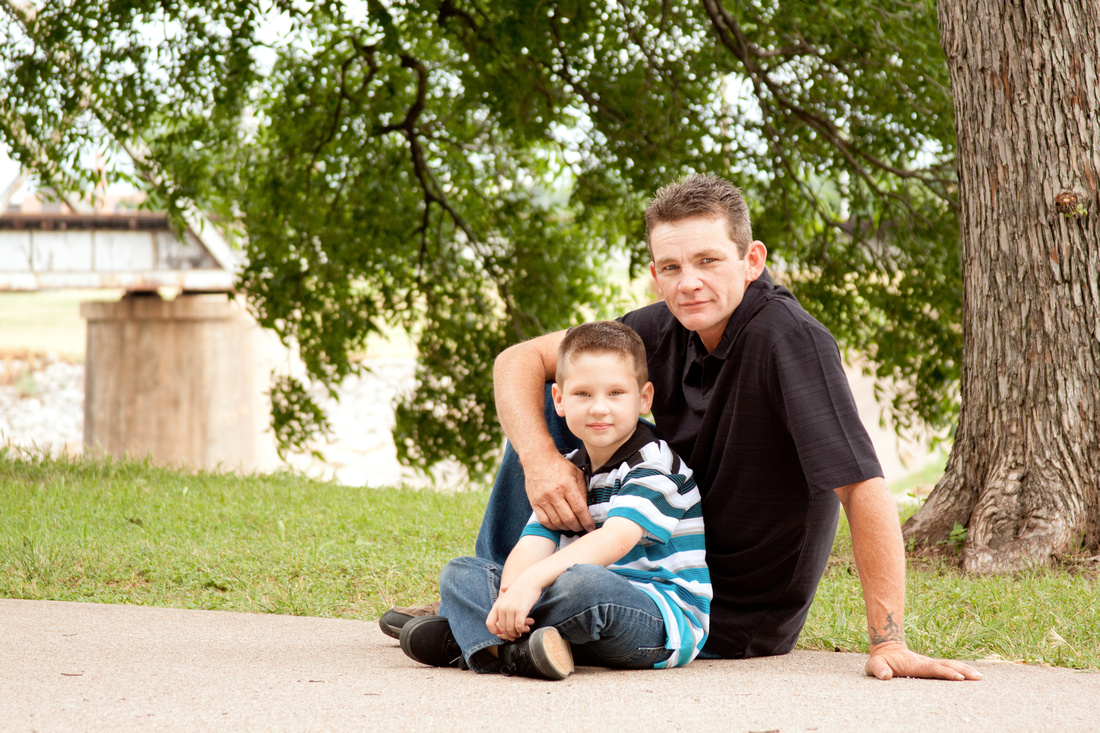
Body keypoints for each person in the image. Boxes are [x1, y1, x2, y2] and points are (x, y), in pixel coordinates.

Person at [385, 174, 981, 682]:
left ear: (752, 261)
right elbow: (517, 361)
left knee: (583, 583)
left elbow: (862, 487)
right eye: (671, 267)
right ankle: (499, 603)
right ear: (654, 273)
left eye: (707, 261)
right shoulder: (663, 328)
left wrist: (888, 641)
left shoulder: (789, 341)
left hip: (717, 609)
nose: (689, 281)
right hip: (633, 559)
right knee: (562, 396)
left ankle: (482, 623)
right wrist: (542, 459)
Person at [398, 321, 711, 680]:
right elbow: (535, 541)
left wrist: (531, 585)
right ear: (559, 400)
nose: (599, 408)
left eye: (615, 393)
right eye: (582, 394)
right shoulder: (569, 468)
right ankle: (515, 647)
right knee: (461, 571)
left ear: (644, 398)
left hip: (654, 619)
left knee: (586, 584)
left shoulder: (656, 465)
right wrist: (512, 590)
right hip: (580, 618)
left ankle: (477, 641)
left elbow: (613, 540)